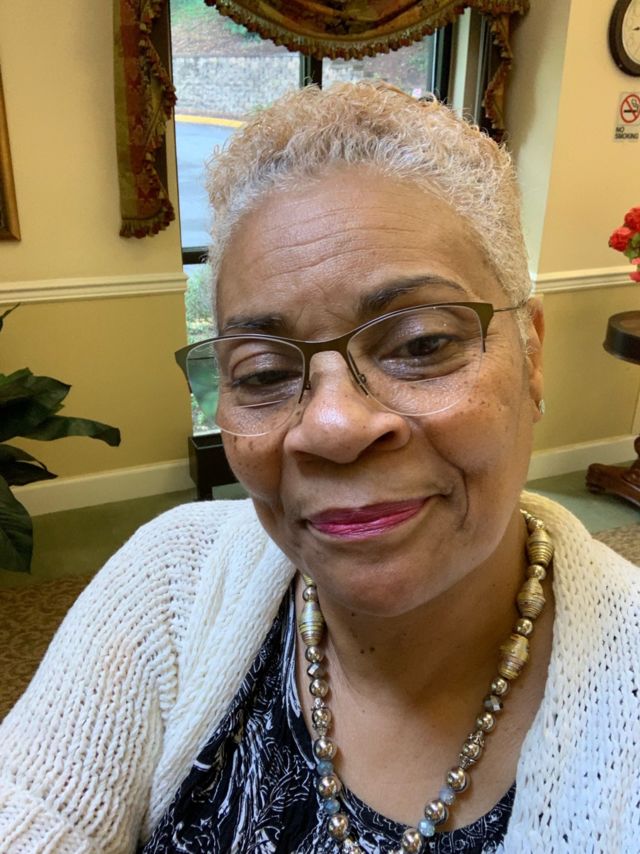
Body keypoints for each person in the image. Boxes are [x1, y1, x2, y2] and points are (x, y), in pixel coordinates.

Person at [1, 82, 638, 854]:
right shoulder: (171, 585)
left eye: (421, 344)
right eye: (264, 372)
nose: (333, 427)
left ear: (531, 354)